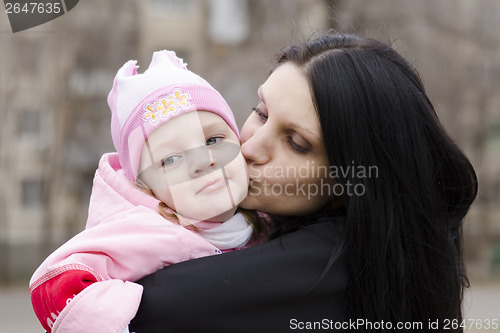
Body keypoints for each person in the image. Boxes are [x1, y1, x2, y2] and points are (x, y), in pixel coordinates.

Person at [129, 33, 478, 333]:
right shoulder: (394, 259)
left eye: (296, 143)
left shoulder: (329, 266)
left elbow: (155, 306)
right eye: (261, 112)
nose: (248, 147)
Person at [29, 50, 266, 333]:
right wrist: (131, 315)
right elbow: (54, 284)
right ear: (147, 188)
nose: (204, 162)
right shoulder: (148, 231)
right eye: (170, 159)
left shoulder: (273, 215)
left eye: (213, 139)